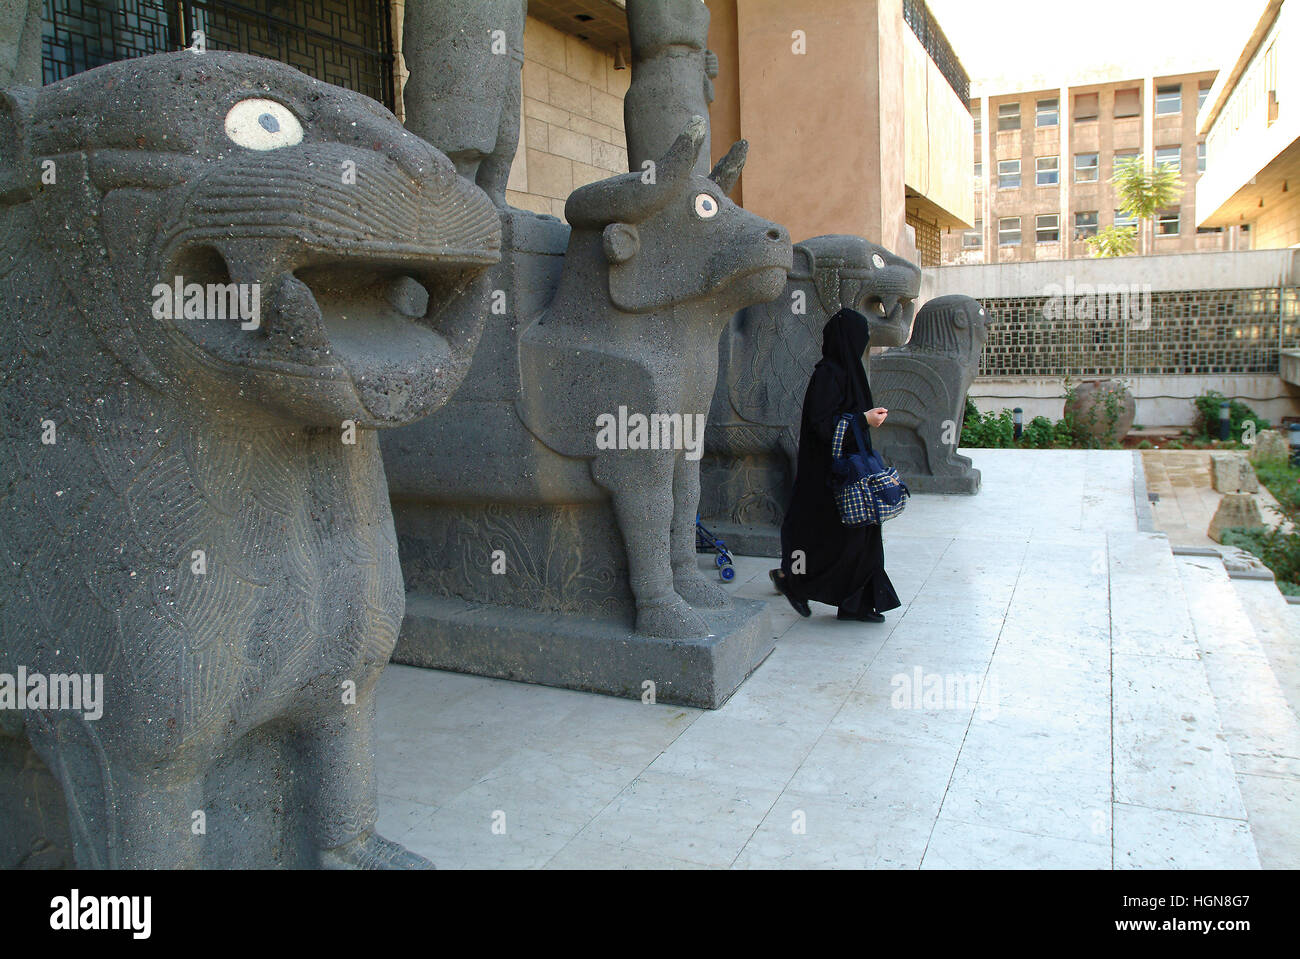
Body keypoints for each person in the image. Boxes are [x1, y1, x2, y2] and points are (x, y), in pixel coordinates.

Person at [769, 307, 902, 623]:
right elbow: (820, 425)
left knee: (863, 537)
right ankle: (794, 582)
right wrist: (862, 420)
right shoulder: (829, 374)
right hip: (830, 476)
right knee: (837, 540)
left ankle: (855, 604)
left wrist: (865, 421)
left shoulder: (850, 373)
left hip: (854, 474)